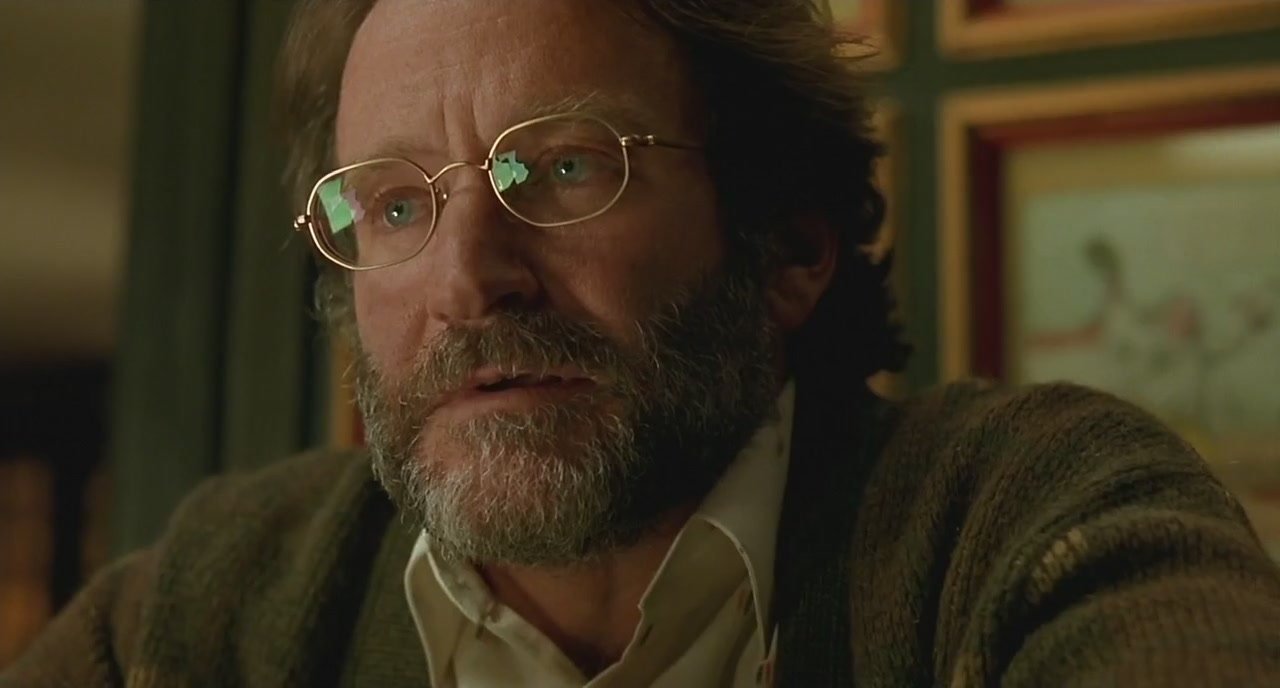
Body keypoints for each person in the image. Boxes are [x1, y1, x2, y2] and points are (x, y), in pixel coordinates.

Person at [7, 0, 1280, 685]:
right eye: (393, 205)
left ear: (786, 245)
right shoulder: (204, 611)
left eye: (565, 166)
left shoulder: (1026, 523)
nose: (468, 280)